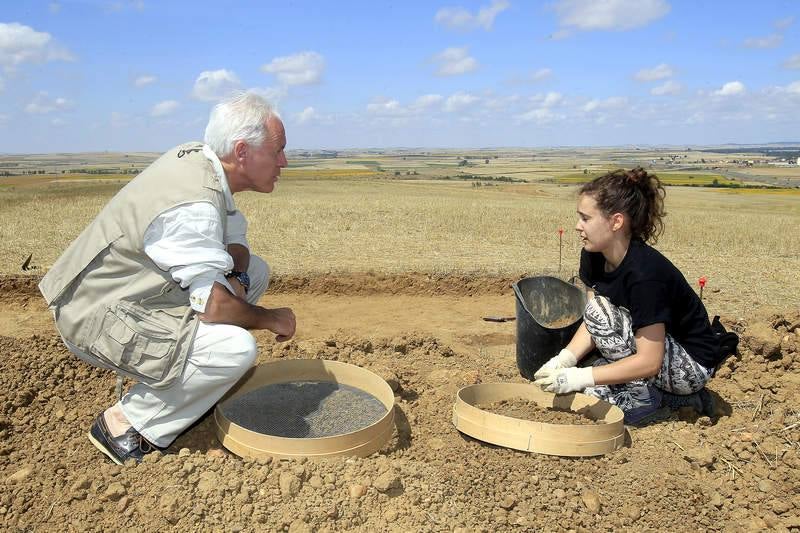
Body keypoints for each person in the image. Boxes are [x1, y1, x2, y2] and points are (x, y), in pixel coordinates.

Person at [39, 92, 296, 464]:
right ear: (242, 152)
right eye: (278, 151)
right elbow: (214, 306)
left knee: (255, 272)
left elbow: (235, 242)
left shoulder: (202, 162)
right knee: (235, 349)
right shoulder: (192, 204)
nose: (284, 162)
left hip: (130, 298)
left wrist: (237, 278)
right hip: (93, 317)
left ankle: (188, 377)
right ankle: (126, 424)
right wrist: (271, 318)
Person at [533, 168, 720, 424]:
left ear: (616, 222)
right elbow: (594, 321)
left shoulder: (645, 275)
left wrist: (578, 376)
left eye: (585, 218)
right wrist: (564, 360)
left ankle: (663, 400)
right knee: (590, 392)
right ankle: (638, 390)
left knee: (587, 384)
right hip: (657, 352)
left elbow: (649, 361)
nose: (578, 226)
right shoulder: (593, 255)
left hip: (690, 366)